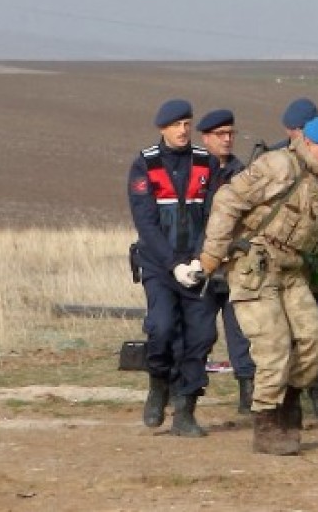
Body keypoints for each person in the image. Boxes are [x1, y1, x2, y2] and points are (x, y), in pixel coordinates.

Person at [197, 116, 318, 456]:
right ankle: (266, 424)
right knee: (274, 346)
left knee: (314, 340)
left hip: (293, 274)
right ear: (308, 144)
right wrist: (211, 255)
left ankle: (288, 404)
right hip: (256, 269)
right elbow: (227, 200)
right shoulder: (278, 165)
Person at [127, 98, 218, 437]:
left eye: (187, 124)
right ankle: (158, 383)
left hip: (197, 265)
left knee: (201, 336)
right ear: (162, 128)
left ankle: (186, 409)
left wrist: (198, 259)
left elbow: (213, 216)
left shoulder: (205, 163)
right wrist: (173, 264)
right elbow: (146, 224)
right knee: (163, 328)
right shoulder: (144, 165)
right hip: (158, 265)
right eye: (177, 125)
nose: (183, 130)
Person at [266, 97, 318, 422]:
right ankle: (291, 397)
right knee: (287, 331)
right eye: (297, 131)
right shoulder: (273, 159)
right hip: (287, 259)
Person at [196, 108, 256, 415]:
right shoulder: (195, 172)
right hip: (202, 265)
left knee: (240, 332)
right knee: (199, 331)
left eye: (231, 133)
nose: (228, 139)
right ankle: (188, 392)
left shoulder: (243, 173)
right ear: (205, 137)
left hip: (233, 264)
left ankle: (247, 392)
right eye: (221, 134)